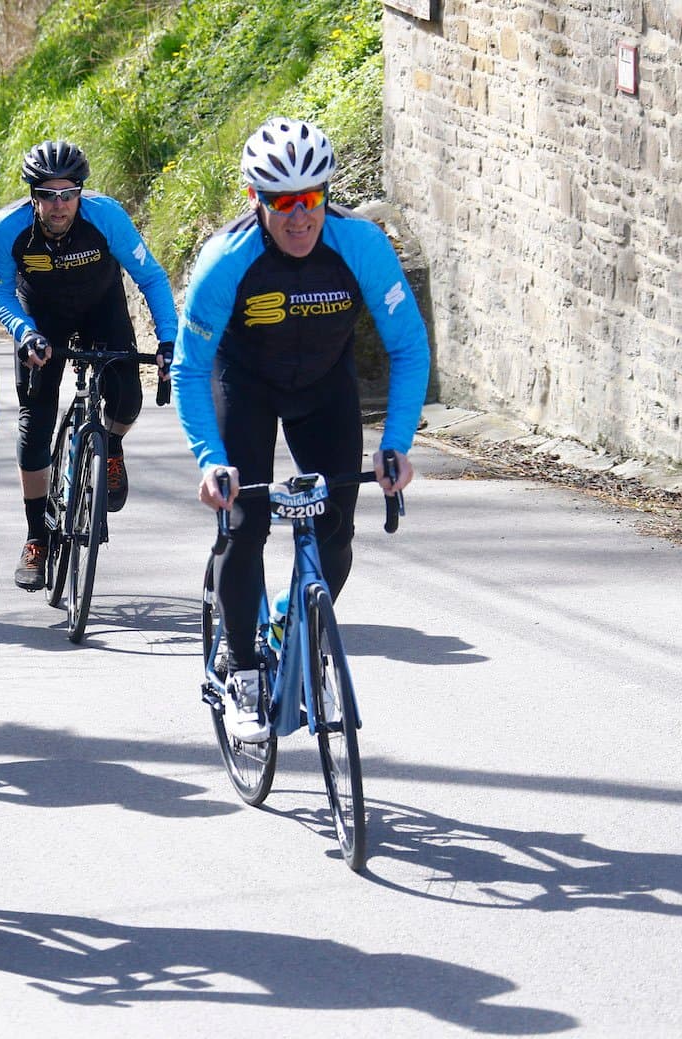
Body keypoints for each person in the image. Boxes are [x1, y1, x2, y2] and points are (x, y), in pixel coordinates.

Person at [172, 117, 430, 744]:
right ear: (255, 201)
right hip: (245, 386)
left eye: (310, 200)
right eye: (282, 203)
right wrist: (211, 461)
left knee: (336, 526)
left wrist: (395, 443)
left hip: (323, 390)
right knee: (246, 521)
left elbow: (409, 347)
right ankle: (240, 669)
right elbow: (189, 369)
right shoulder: (225, 262)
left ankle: (291, 624)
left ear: (325, 197)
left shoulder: (361, 246)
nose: (298, 217)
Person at [0, 140, 178, 591]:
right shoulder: (6, 228)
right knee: (34, 427)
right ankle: (37, 538)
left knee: (128, 397)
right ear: (33, 195)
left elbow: (150, 277)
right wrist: (23, 331)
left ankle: (110, 445)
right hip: (40, 319)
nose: (59, 205)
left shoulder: (106, 217)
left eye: (68, 193)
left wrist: (168, 339)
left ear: (80, 193)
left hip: (100, 308)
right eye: (48, 195)